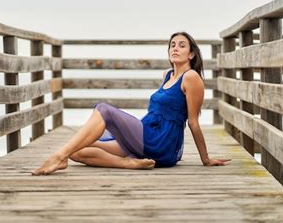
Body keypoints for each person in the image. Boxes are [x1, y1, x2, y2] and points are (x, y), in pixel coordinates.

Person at [31, 32, 231, 175]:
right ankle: (127, 163)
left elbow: (193, 121)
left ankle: (58, 157)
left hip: (161, 142)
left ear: (192, 54)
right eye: (172, 45)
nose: (175, 48)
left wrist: (205, 158)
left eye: (181, 45)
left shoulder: (191, 77)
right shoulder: (167, 75)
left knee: (104, 110)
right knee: (77, 150)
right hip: (146, 135)